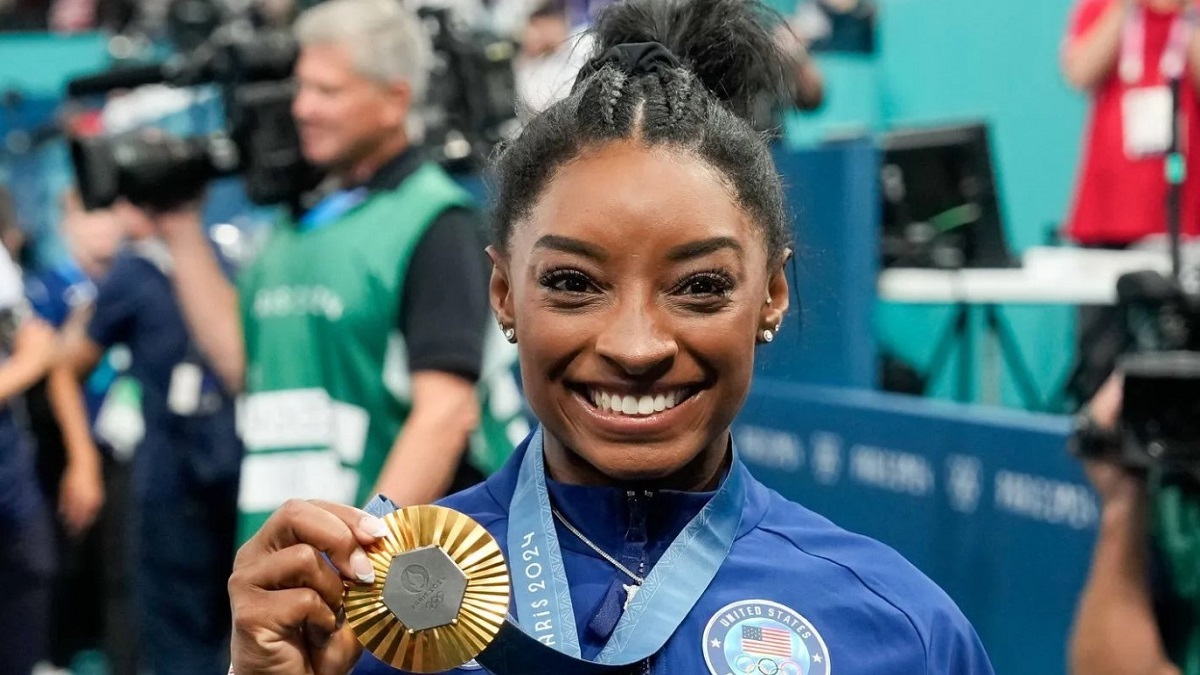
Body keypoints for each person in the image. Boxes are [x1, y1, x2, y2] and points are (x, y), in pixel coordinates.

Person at [226, 0, 997, 673]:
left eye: (700, 286)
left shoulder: (899, 632)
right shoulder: (367, 618)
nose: (635, 346)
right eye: (572, 284)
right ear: (503, 293)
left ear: (772, 296)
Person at [151, 0, 524, 545]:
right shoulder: (290, 227)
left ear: (395, 100)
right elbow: (247, 369)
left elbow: (445, 415)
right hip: (280, 556)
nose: (301, 108)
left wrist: (357, 561)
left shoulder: (435, 221)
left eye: (327, 91)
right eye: (301, 88)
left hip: (378, 580)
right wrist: (181, 232)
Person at [51, 201, 242, 675]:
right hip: (169, 479)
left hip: (238, 467)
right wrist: (83, 462)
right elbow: (65, 369)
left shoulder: (227, 255)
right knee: (175, 633)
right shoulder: (133, 274)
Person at [1061, 0, 1200, 403]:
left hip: (1181, 215)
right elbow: (1078, 72)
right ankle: (1104, 444)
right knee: (1101, 354)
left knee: (1179, 351)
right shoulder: (1102, 5)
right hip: (1105, 212)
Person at [0, 188, 63, 675]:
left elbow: (37, 341)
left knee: (32, 574)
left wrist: (82, 458)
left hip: (10, 466)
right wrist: (26, 367)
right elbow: (34, 355)